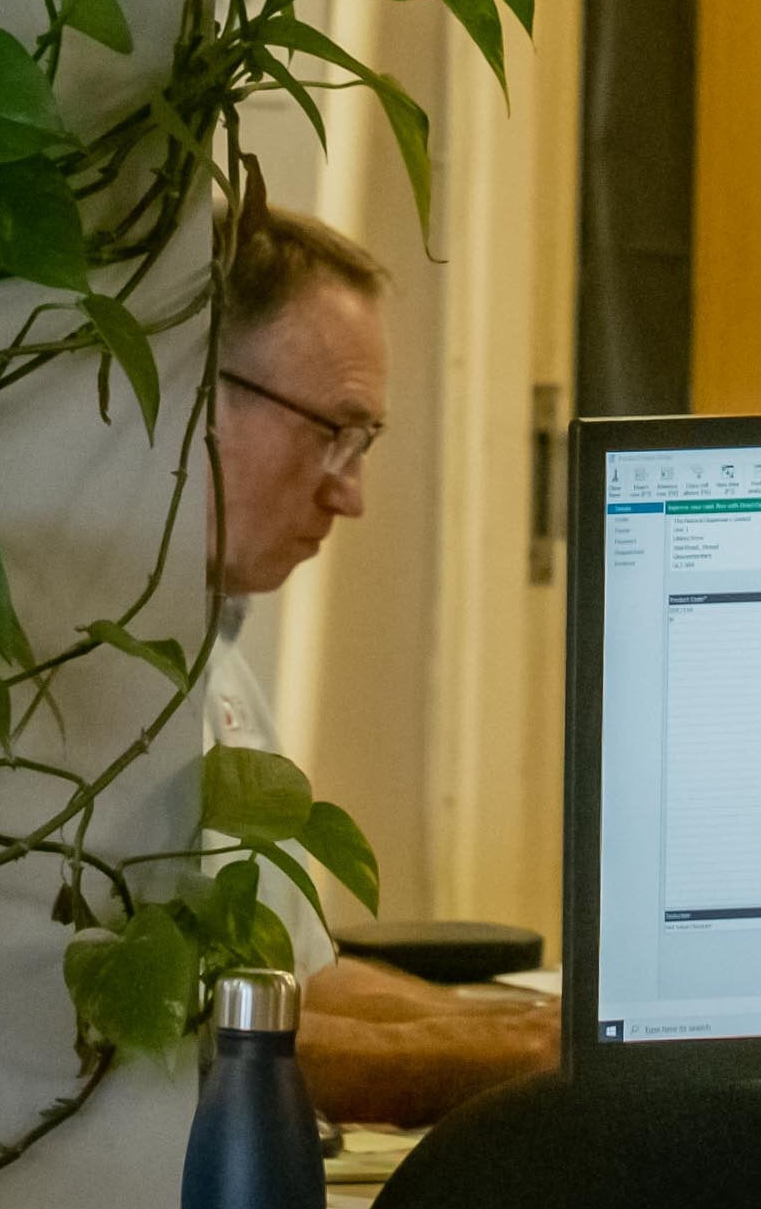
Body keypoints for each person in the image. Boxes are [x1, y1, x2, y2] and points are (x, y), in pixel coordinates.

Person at [200, 200, 561, 1126]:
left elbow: (303, 979)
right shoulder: (107, 674)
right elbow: (224, 1041)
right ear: (200, 390)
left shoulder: (218, 645)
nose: (349, 492)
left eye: (362, 443)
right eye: (334, 430)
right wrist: (534, 1058)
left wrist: (545, 1027)